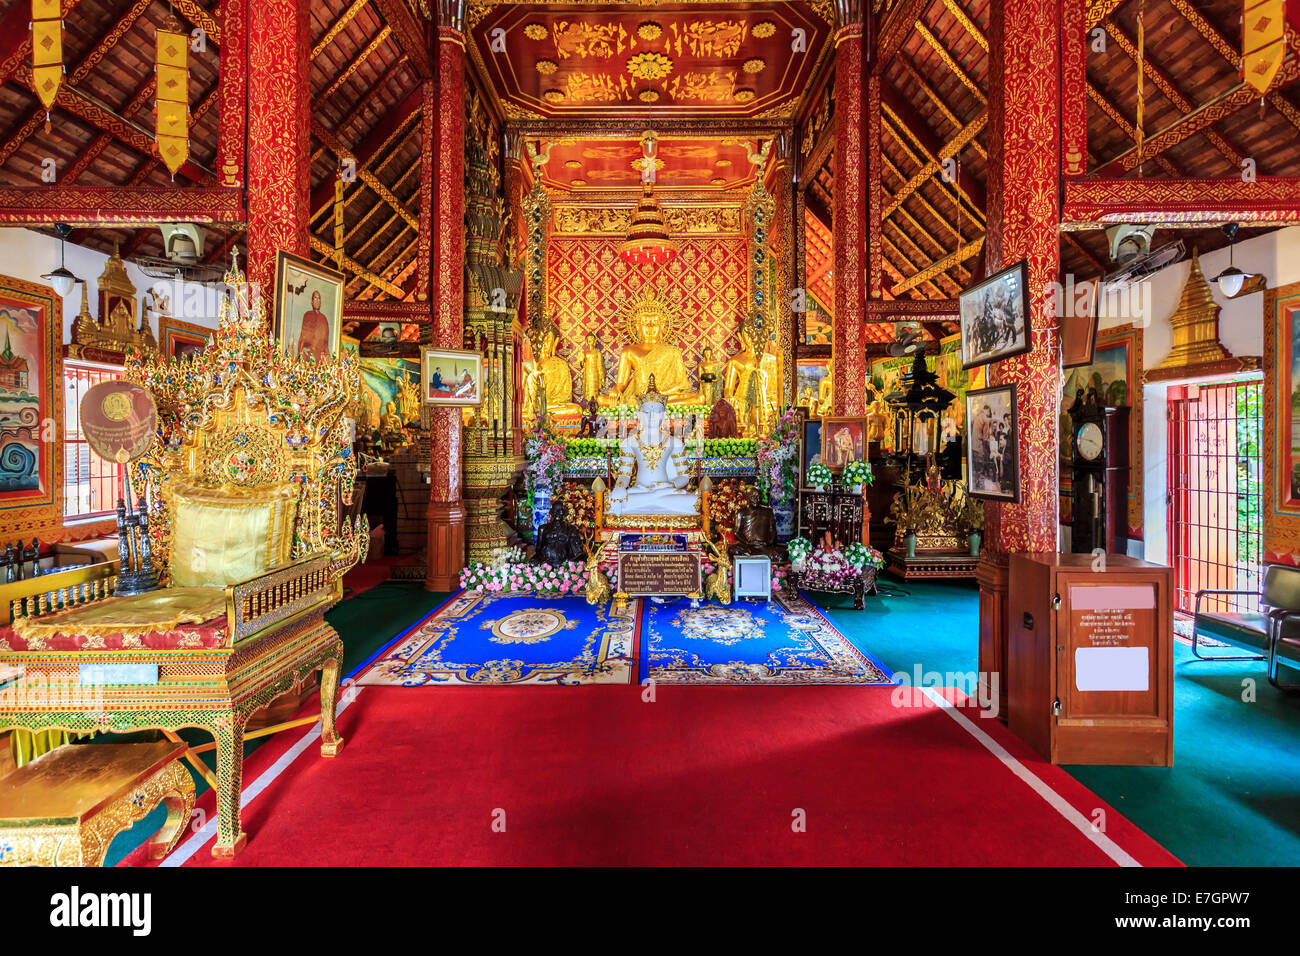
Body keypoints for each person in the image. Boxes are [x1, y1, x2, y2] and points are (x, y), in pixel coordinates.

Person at [296, 289, 331, 360]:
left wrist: (328, 356)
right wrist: (300, 352)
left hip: (320, 355)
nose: (317, 301)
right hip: (309, 353)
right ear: (311, 302)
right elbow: (303, 335)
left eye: (319, 299)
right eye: (315, 298)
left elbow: (325, 341)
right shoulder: (307, 315)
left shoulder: (324, 318)